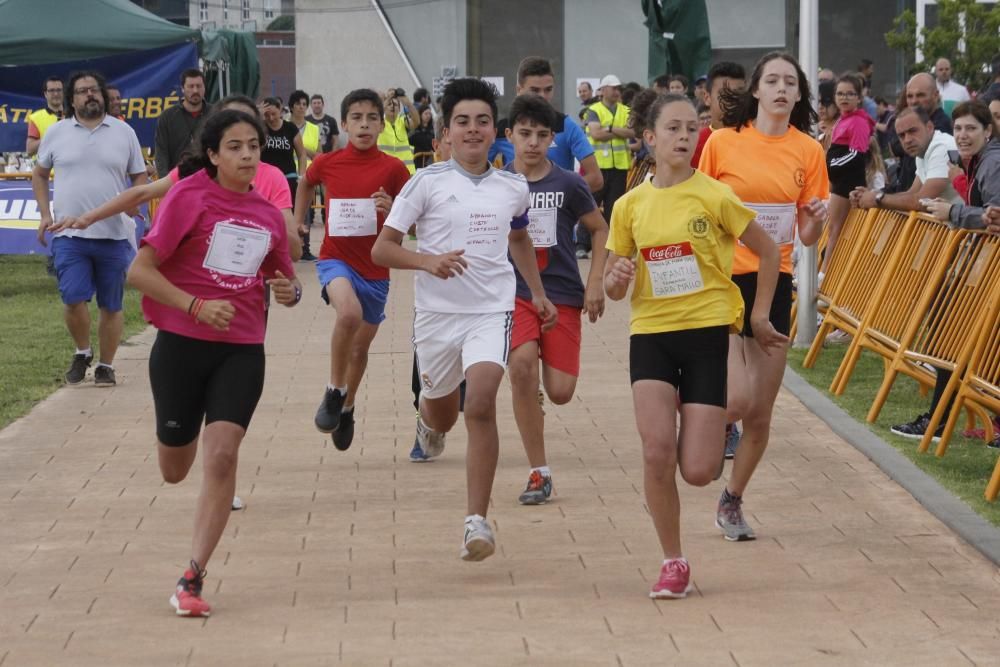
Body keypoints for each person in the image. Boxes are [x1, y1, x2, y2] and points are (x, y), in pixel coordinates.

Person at [606, 91, 784, 598]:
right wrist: (616, 277)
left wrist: (760, 313)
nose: (685, 137)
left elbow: (768, 251)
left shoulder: (715, 196)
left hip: (707, 334)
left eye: (692, 129)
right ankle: (673, 560)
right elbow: (615, 289)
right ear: (649, 138)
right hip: (653, 336)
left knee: (700, 470)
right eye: (673, 129)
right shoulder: (629, 206)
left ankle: (694, 409)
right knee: (656, 451)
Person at [371, 78, 557, 561]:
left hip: (492, 312)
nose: (473, 130)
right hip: (437, 317)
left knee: (479, 404)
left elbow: (519, 239)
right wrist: (426, 261)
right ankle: (428, 425)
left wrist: (536, 293)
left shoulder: (513, 187)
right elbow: (382, 248)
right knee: (442, 413)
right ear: (446, 132)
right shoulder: (426, 184)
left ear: (495, 130)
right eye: (462, 122)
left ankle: (477, 521)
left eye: (481, 121)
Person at [127, 109, 300, 617]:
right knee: (175, 469)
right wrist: (196, 305)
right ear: (213, 154)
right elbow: (140, 271)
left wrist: (289, 291)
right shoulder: (187, 197)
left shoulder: (269, 215)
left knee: (222, 454)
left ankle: (192, 577)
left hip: (241, 347)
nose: (247, 155)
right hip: (181, 345)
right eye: (235, 147)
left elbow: (282, 279)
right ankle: (175, 439)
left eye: (254, 146)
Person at [699, 51, 830, 542]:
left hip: (774, 283)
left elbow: (810, 233)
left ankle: (732, 499)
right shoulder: (723, 142)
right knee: (735, 398)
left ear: (798, 95)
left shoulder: (808, 152)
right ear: (755, 90)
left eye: (789, 82)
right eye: (771, 80)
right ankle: (702, 435)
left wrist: (815, 218)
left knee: (759, 411)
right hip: (723, 278)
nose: (780, 88)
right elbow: (700, 208)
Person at [502, 94, 608, 505]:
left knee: (561, 391)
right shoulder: (498, 184)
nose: (532, 142)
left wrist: (595, 281)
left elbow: (600, 230)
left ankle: (537, 395)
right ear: (509, 135)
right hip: (515, 294)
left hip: (563, 292)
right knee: (522, 367)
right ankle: (538, 471)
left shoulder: (569, 182)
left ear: (552, 139)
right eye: (524, 133)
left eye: (541, 135)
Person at [52, 95, 300, 262]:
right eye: (229, 123)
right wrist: (88, 218)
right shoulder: (193, 172)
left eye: (247, 123)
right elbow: (142, 193)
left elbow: (294, 251)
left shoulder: (272, 177)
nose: (239, 128)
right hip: (192, 287)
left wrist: (263, 219)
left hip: (247, 293)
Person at [298, 89, 410, 451]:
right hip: (336, 259)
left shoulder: (394, 169)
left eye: (371, 118)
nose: (364, 125)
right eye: (356, 118)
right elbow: (305, 182)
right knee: (348, 314)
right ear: (343, 124)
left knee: (360, 351)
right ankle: (334, 390)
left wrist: (393, 206)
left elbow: (410, 221)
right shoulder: (329, 162)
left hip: (376, 269)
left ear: (382, 124)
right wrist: (299, 222)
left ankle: (346, 407)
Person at [32, 71, 149, 387]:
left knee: (111, 304)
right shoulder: (57, 133)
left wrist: (133, 201)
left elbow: (140, 175)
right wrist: (44, 213)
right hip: (68, 233)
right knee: (72, 298)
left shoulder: (124, 132)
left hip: (113, 233)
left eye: (94, 90)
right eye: (82, 91)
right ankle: (82, 351)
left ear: (104, 94)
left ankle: (105, 366)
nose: (89, 96)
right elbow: (39, 174)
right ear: (72, 99)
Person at [896, 100, 1000, 442]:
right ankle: (942, 418)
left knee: (950, 335)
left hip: (987, 269)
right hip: (982, 266)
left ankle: (939, 422)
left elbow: (994, 216)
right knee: (955, 338)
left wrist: (953, 214)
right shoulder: (977, 162)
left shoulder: (992, 163)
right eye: (958, 129)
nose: (963, 135)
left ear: (987, 131)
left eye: (971, 128)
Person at [489, 57, 603, 193]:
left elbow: (595, 179)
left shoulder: (566, 126)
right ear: (519, 90)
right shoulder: (501, 129)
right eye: (535, 90)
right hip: (514, 211)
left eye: (548, 90)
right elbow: (476, 176)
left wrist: (552, 195)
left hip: (558, 210)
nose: (542, 96)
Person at [851, 105, 962, 212]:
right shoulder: (924, 149)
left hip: (963, 228)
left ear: (929, 127)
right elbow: (912, 193)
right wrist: (871, 195)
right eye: (902, 135)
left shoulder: (942, 147)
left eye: (912, 131)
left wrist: (878, 199)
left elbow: (922, 201)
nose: (907, 140)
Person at [823, 73, 874, 274]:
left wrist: (830, 165)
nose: (844, 98)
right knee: (834, 229)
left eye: (850, 94)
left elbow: (857, 154)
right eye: (840, 93)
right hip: (839, 179)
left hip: (847, 181)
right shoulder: (843, 120)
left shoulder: (859, 122)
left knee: (836, 230)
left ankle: (825, 274)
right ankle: (826, 271)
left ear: (859, 98)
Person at [584, 74, 635, 258]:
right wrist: (619, 133)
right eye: (613, 88)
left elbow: (633, 131)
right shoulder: (594, 110)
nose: (616, 91)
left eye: (618, 88)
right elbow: (596, 134)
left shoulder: (625, 110)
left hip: (619, 166)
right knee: (590, 204)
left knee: (615, 208)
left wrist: (611, 129)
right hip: (599, 166)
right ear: (603, 89)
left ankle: (611, 246)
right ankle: (582, 244)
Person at [260, 97, 308, 258]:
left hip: (288, 177)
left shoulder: (290, 128)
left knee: (290, 216)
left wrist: (301, 176)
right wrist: (260, 120)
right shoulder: (261, 128)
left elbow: (302, 154)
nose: (271, 118)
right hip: (266, 180)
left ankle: (300, 248)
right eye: (267, 115)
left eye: (274, 114)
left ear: (280, 110)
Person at [154, 69, 210, 176]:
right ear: (182, 89)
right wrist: (165, 183)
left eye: (199, 86)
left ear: (204, 88)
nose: (195, 90)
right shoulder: (167, 117)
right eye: (191, 86)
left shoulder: (214, 114)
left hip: (209, 180)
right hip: (177, 180)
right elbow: (161, 153)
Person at [691, 61, 746, 168]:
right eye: (724, 94)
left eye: (738, 93)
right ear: (707, 98)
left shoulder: (759, 136)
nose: (732, 99)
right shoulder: (695, 145)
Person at [378, 88, 418, 175]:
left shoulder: (402, 121)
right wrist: (387, 99)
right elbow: (376, 113)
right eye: (389, 104)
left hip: (407, 170)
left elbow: (416, 122)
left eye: (395, 105)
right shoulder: (379, 123)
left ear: (399, 109)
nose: (392, 106)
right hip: (386, 171)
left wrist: (408, 103)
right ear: (384, 108)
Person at [26, 75, 64, 156]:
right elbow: (30, 150)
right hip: (47, 168)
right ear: (45, 94)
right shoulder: (36, 117)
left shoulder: (75, 115)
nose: (56, 94)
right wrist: (50, 137)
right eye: (52, 90)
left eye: (59, 90)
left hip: (72, 168)